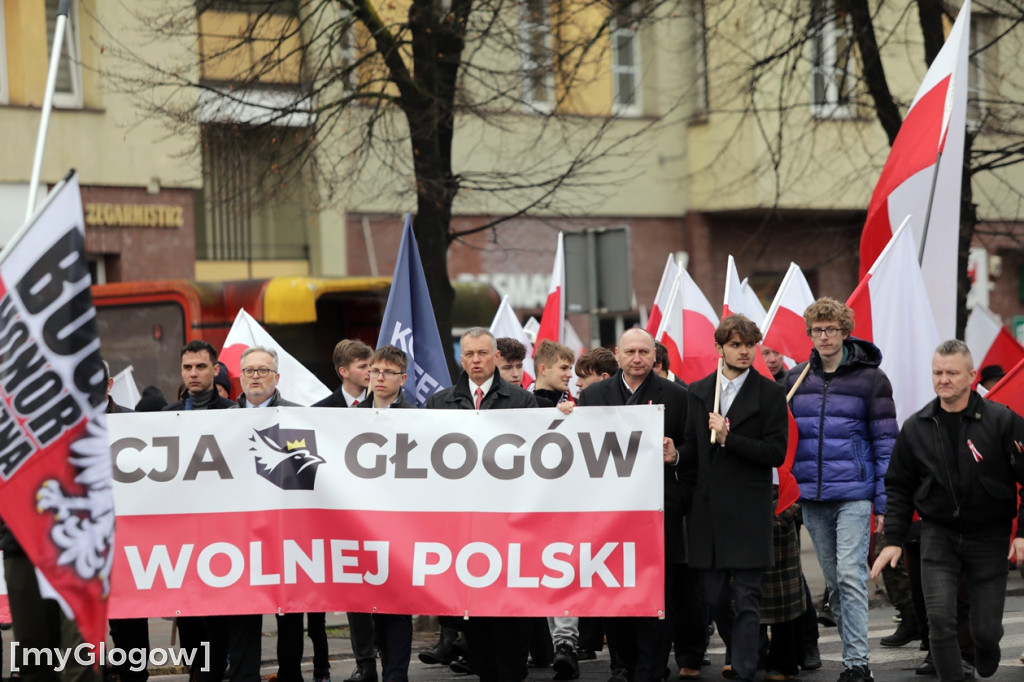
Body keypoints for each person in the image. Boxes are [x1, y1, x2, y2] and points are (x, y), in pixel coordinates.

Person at [872, 340, 1024, 681]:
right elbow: (899, 486)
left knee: (985, 630)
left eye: (952, 373)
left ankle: (987, 643)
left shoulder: (1001, 421)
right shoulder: (916, 426)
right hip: (938, 535)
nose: (944, 380)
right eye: (938, 373)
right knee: (939, 621)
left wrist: (1023, 534)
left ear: (971, 375)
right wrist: (893, 539)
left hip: (989, 536)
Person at [785, 298, 896, 682]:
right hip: (812, 496)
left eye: (831, 329)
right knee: (834, 582)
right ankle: (853, 657)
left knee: (850, 575)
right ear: (810, 334)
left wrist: (883, 502)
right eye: (817, 330)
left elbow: (886, 443)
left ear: (845, 332)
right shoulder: (796, 379)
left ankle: (857, 664)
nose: (824, 336)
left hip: (854, 493)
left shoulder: (872, 379)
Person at [679, 315, 788, 682]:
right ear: (719, 348)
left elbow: (775, 452)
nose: (744, 351)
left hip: (747, 511)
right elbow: (692, 446)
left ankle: (743, 668)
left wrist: (730, 439)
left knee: (747, 597)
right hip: (708, 512)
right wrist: (675, 455)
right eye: (736, 345)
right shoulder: (698, 391)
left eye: (749, 345)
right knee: (712, 598)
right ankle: (751, 647)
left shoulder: (770, 393)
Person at [427, 327, 538, 682]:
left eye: (483, 353)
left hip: (507, 524)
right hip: (463, 529)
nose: (476, 360)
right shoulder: (440, 403)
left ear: (496, 357)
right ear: (461, 359)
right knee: (474, 619)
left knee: (510, 619)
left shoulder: (522, 402)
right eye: (469, 354)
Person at [577, 328, 688, 682]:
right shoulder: (593, 396)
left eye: (644, 351)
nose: (637, 358)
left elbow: (694, 449)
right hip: (609, 515)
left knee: (657, 596)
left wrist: (676, 455)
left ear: (655, 355)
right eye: (630, 352)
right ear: (617, 354)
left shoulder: (677, 396)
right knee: (615, 593)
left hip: (658, 513)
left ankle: (651, 669)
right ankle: (623, 664)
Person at [163, 340, 244, 682]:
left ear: (215, 369)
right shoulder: (165, 416)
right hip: (181, 533)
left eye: (200, 366)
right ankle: (199, 669)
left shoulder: (234, 414)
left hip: (220, 533)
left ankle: (209, 672)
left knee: (218, 614)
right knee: (188, 612)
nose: (193, 373)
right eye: (187, 367)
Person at [313, 339, 374, 682]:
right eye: (364, 367)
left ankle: (390, 660)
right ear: (344, 372)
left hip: (380, 513)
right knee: (356, 591)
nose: (371, 372)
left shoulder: (384, 405)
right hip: (342, 516)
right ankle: (365, 663)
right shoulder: (321, 411)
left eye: (372, 366)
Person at [357, 346, 416, 681]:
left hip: (400, 524)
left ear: (402, 378)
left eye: (388, 372)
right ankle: (377, 663)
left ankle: (396, 674)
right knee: (371, 606)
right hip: (361, 523)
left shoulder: (416, 417)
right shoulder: (350, 417)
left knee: (397, 605)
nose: (379, 378)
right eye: (375, 371)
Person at [533, 339, 575, 407]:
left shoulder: (578, 406)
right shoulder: (519, 401)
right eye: (563, 368)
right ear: (543, 369)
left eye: (570, 369)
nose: (570, 375)